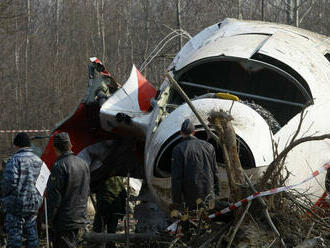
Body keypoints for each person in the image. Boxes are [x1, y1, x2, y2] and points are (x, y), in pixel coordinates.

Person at [46, 132, 90, 248]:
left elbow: (54, 197)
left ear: (55, 147)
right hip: (79, 217)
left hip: (64, 220)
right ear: (70, 146)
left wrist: (47, 220)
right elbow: (86, 190)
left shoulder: (59, 166)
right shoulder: (83, 164)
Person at [1, 132, 43, 248]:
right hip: (34, 204)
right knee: (31, 234)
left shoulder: (14, 160)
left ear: (17, 145)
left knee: (15, 236)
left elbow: (8, 183)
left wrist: (5, 199)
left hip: (16, 205)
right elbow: (43, 183)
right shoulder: (39, 161)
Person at [171, 119, 218, 210]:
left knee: (193, 218)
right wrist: (217, 191)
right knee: (209, 216)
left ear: (181, 132)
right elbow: (215, 171)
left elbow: (176, 178)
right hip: (209, 191)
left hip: (190, 195)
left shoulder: (178, 149)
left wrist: (176, 201)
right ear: (194, 132)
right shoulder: (209, 146)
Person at [92, 176, 126, 248]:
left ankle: (98, 245)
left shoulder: (102, 175)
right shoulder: (118, 178)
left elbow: (93, 188)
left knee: (97, 231)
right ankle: (109, 245)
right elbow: (123, 194)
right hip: (115, 209)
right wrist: (122, 211)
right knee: (111, 232)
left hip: (104, 208)